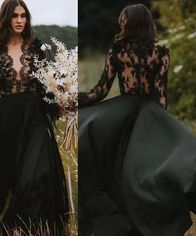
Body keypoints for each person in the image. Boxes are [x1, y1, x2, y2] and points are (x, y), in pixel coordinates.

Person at [79, 4, 196, 236]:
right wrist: (161, 128)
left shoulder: (118, 51)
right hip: (150, 113)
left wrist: (78, 101)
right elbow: (161, 96)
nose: (120, 24)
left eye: (123, 20)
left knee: (113, 160)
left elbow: (101, 90)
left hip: (122, 110)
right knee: (150, 166)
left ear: (130, 23)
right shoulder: (160, 53)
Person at [0, 0, 69, 234]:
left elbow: (45, 88)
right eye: (15, 16)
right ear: (6, 18)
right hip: (6, 118)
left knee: (36, 175)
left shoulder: (36, 48)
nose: (20, 20)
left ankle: (39, 228)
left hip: (35, 117)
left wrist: (61, 100)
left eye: (24, 16)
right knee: (10, 177)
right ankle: (16, 229)